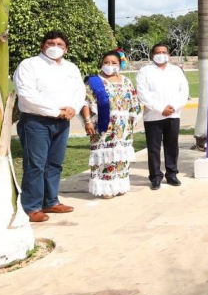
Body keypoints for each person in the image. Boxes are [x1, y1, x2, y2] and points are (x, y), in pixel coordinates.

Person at [14, 31, 85, 223]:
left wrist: (73, 108)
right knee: (35, 165)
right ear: (42, 46)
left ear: (66, 49)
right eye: (50, 43)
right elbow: (26, 94)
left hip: (62, 122)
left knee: (54, 163)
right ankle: (32, 207)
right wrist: (55, 111)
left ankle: (50, 201)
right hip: (36, 121)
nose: (55, 47)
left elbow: (79, 91)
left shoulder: (70, 68)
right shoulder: (29, 65)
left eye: (60, 44)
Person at [80, 51, 142, 199]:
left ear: (119, 64)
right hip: (102, 127)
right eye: (106, 62)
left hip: (123, 127)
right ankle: (105, 188)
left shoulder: (126, 81)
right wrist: (88, 121)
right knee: (104, 157)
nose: (109, 65)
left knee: (120, 156)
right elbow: (85, 102)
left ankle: (119, 185)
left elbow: (134, 103)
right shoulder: (94, 82)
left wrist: (131, 121)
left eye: (114, 63)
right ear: (101, 64)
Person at [136, 43, 189, 190]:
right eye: (158, 52)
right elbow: (142, 93)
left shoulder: (176, 71)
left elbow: (184, 91)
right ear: (152, 55)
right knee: (154, 148)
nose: (161, 54)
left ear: (168, 54)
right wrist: (160, 109)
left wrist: (174, 107)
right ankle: (155, 177)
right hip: (153, 116)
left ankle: (172, 174)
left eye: (164, 52)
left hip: (173, 114)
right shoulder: (145, 71)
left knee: (172, 146)